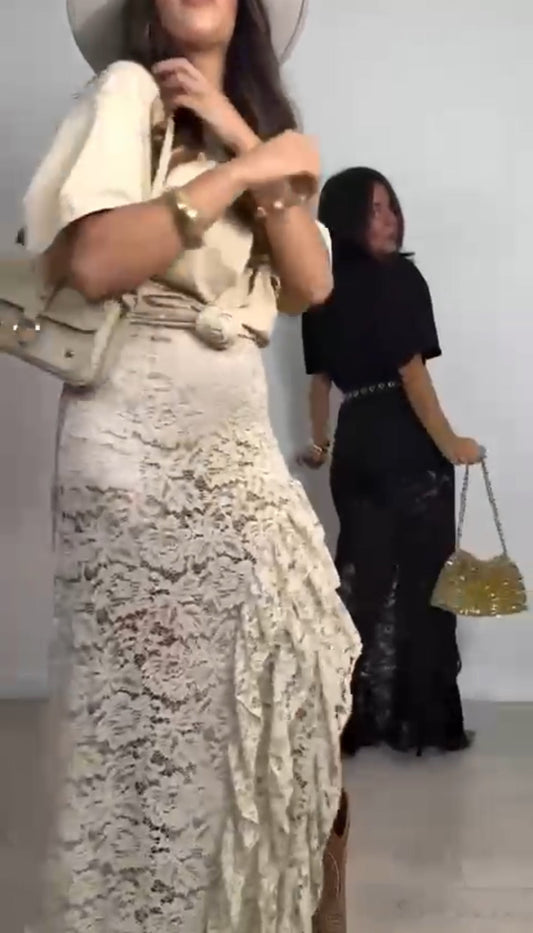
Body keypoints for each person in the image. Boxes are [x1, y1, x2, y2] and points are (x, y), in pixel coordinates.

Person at [24, 2, 360, 931]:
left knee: (298, 677)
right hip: (134, 440)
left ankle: (260, 905)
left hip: (235, 437)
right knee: (155, 731)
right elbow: (95, 260)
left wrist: (243, 138)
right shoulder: (125, 93)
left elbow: (311, 283)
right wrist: (248, 170)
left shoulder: (252, 126)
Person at [301, 167, 483, 758]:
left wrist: (320, 444)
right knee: (425, 583)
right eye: (374, 209)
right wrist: (451, 442)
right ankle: (422, 723)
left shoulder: (318, 290)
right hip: (406, 445)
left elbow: (320, 383)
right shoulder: (401, 276)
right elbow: (412, 373)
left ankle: (350, 718)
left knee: (364, 581)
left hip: (355, 447)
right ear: (347, 218)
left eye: (391, 207)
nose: (389, 219)